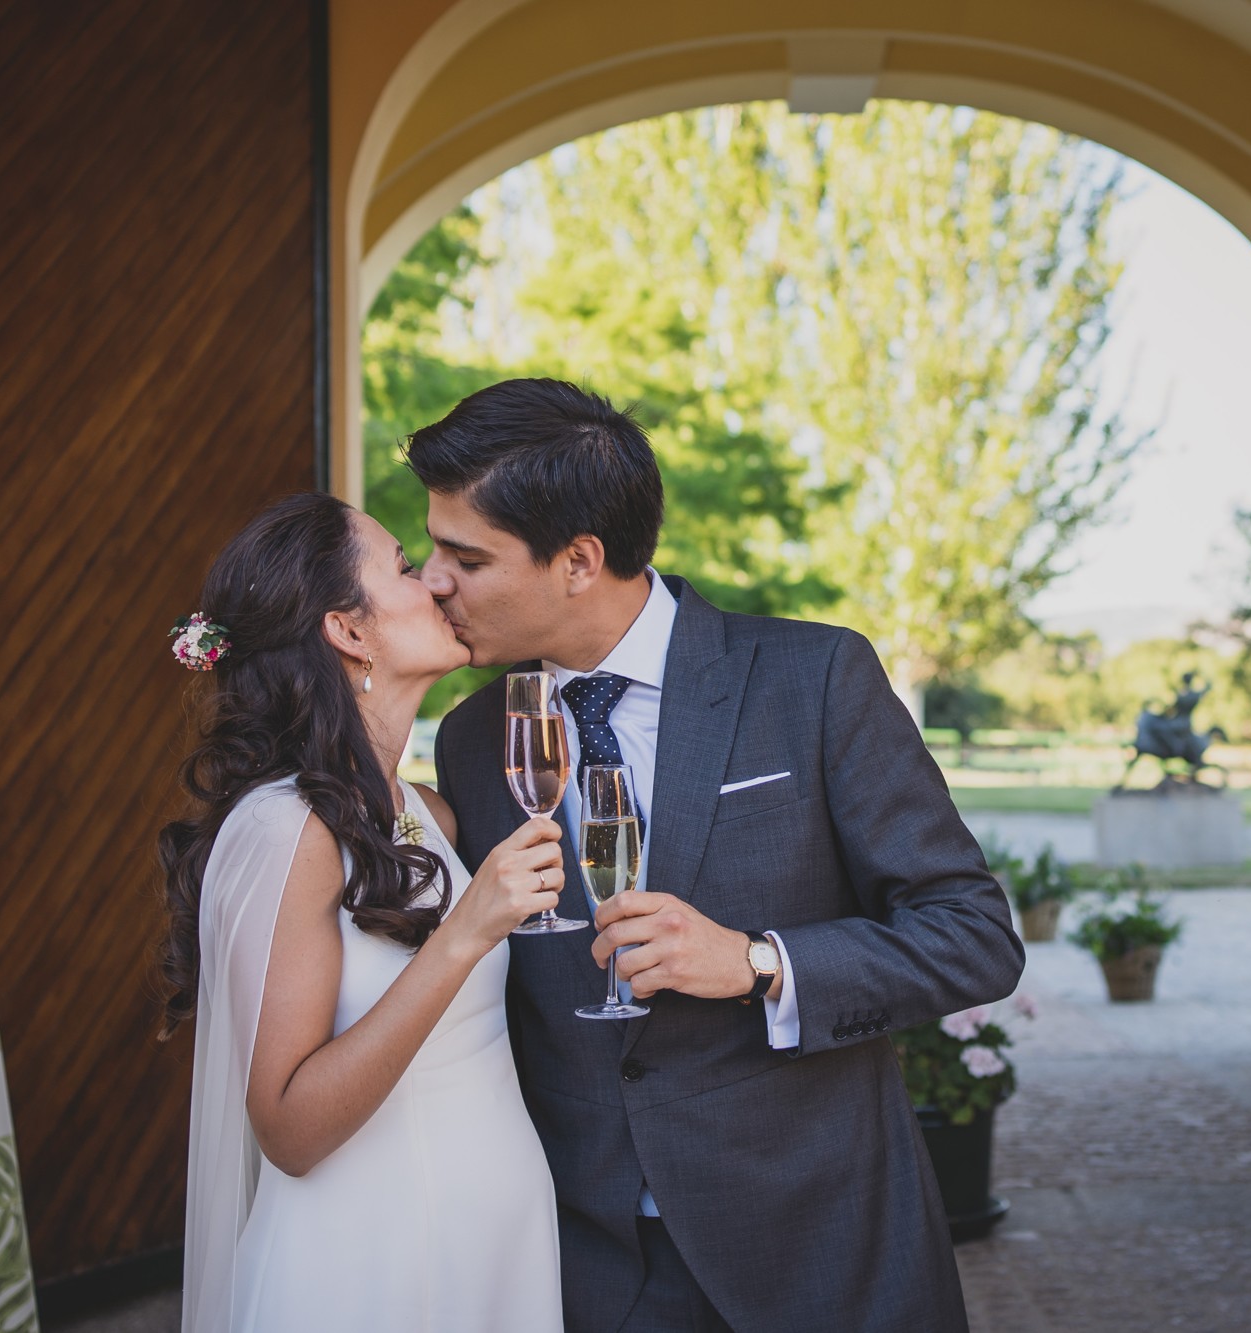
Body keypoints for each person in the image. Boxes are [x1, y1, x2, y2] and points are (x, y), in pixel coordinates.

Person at [415, 379, 1028, 1331]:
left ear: (579, 560)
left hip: (819, 1241)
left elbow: (974, 936)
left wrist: (754, 962)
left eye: (465, 556)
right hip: (591, 1264)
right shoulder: (469, 737)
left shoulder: (813, 680)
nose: (430, 580)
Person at [158, 491, 566, 1332]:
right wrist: (460, 938)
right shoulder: (288, 829)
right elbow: (291, 1128)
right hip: (377, 1260)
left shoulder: (429, 814)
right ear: (348, 630)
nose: (442, 585)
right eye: (409, 569)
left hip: (494, 1242)